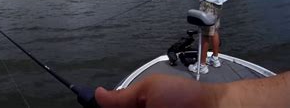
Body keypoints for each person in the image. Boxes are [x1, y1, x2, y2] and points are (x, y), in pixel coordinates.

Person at [94, 71, 290, 108]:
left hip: (209, 1)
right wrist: (210, 101)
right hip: (217, 1)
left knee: (206, 33)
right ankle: (212, 58)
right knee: (212, 32)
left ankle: (203, 64)